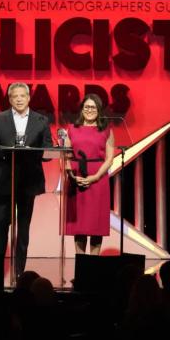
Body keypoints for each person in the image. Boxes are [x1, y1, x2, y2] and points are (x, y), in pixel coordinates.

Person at [0, 82, 53, 276]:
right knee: (0, 225)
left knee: (23, 230)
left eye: (23, 96)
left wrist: (33, 152)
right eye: (15, 96)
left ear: (29, 97)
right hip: (3, 181)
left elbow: (47, 149)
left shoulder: (41, 120)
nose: (19, 99)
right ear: (10, 99)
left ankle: (19, 274)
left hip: (28, 181)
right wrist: (6, 151)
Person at [65, 94, 114, 255]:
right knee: (80, 227)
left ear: (99, 110)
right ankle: (81, 270)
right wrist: (72, 175)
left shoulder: (106, 130)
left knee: (96, 226)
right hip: (76, 179)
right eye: (86, 107)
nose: (89, 110)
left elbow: (109, 159)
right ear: (81, 109)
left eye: (93, 107)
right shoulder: (71, 129)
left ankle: (93, 270)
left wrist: (95, 177)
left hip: (98, 180)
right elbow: (66, 156)